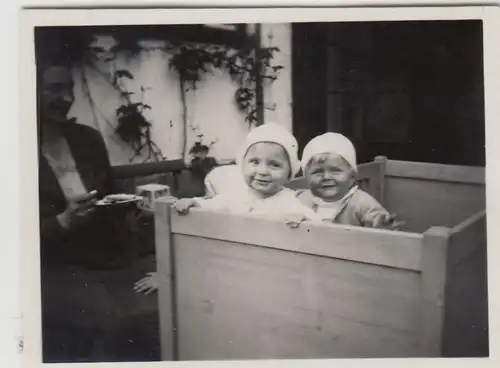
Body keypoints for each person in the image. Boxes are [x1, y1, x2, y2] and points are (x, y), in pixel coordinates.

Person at [38, 62, 158, 362]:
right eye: (54, 88)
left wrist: (139, 214)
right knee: (116, 324)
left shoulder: (87, 139)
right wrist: (62, 222)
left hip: (110, 255)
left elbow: (111, 199)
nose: (66, 98)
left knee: (174, 302)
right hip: (53, 265)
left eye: (70, 90)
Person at [173, 123, 321, 225]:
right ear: (242, 165)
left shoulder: (289, 202)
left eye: (274, 165)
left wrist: (301, 220)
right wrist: (195, 203)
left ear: (289, 174)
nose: (262, 172)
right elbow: (214, 204)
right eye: (254, 162)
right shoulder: (236, 196)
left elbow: (315, 223)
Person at [297, 132, 402, 229]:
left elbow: (382, 225)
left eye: (335, 171)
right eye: (317, 172)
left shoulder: (361, 202)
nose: (326, 177)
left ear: (352, 177)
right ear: (306, 177)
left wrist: (380, 224)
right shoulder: (300, 200)